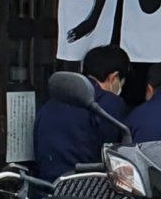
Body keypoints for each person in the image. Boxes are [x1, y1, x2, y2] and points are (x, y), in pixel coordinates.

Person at [30, 46, 129, 177]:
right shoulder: (108, 102)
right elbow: (111, 152)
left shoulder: (53, 101)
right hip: (83, 187)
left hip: (47, 187)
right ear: (114, 77)